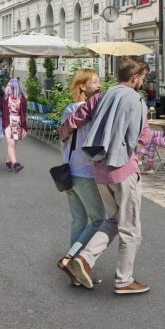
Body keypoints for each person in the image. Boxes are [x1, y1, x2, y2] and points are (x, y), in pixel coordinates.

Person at [58, 57, 151, 295]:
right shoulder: (136, 100)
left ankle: (84, 259)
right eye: (143, 78)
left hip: (98, 169)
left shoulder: (101, 96)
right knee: (130, 228)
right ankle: (124, 280)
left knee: (111, 220)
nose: (143, 82)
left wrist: (64, 133)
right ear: (135, 78)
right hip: (123, 169)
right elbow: (142, 135)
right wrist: (137, 153)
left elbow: (76, 119)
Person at [56, 69, 105, 285]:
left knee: (79, 220)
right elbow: (95, 144)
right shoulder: (88, 113)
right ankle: (70, 259)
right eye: (94, 81)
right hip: (85, 172)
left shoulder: (69, 110)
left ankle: (76, 273)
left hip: (68, 172)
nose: (98, 84)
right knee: (98, 219)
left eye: (98, 80)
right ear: (82, 87)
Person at [1, 78, 29, 173]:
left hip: (18, 123)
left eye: (10, 86)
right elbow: (2, 113)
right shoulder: (5, 98)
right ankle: (16, 164)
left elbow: (24, 114)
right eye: (7, 86)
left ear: (15, 87)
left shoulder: (22, 99)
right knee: (11, 144)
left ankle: (8, 162)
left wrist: (25, 128)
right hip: (8, 123)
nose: (8, 88)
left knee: (13, 145)